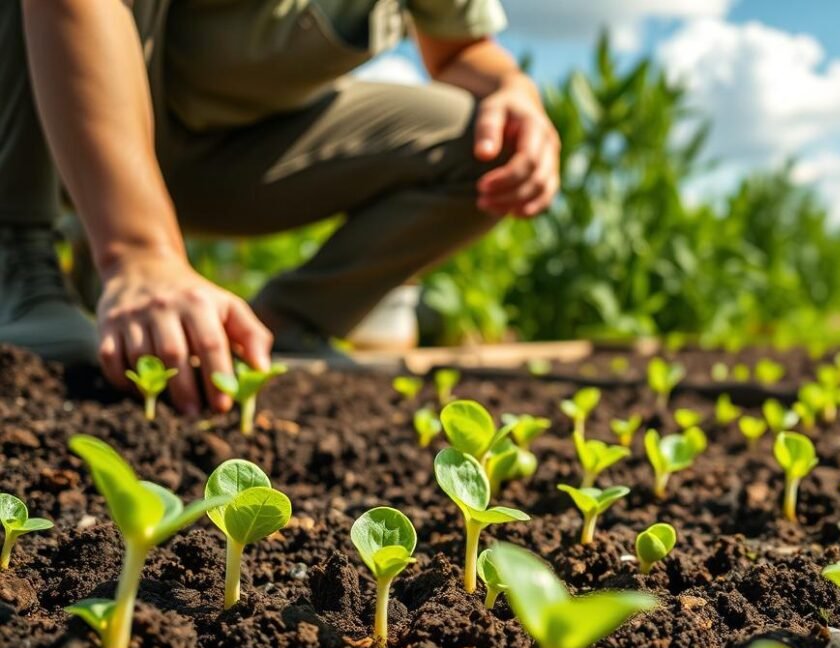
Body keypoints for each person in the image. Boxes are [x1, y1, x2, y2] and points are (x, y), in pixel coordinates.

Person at [0, 0, 558, 416]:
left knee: (491, 147)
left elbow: (459, 50)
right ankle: (16, 261)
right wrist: (139, 253)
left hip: (234, 157)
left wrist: (514, 88)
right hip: (59, 125)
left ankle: (283, 325)